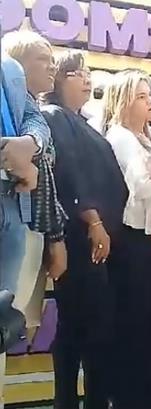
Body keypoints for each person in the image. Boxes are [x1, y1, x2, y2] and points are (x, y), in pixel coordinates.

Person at [40, 50, 128, 409]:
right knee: (82, 329)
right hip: (79, 238)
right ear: (59, 79)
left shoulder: (85, 123)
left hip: (100, 238)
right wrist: (93, 221)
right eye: (77, 73)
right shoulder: (55, 116)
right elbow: (69, 173)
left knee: (88, 328)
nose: (87, 78)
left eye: (88, 72)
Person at [100, 69, 151, 408]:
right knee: (134, 316)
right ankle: (132, 395)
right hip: (132, 236)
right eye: (141, 96)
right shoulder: (120, 137)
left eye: (149, 95)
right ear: (124, 101)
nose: (149, 102)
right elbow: (140, 186)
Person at [0, 50, 49, 409]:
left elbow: (36, 119)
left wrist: (29, 146)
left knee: (3, 324)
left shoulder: (9, 69)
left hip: (11, 203)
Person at [2, 31, 67, 283]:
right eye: (42, 58)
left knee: (13, 305)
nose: (52, 67)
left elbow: (36, 124)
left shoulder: (29, 106)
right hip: (21, 208)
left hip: (24, 215)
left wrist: (30, 145)